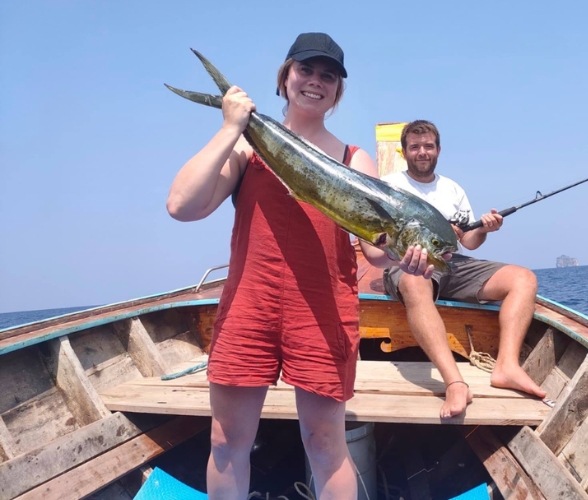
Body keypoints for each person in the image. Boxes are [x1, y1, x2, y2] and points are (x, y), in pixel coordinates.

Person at [166, 33, 433, 500]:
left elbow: (375, 250)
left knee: (326, 444)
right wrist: (232, 126)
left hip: (323, 312)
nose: (315, 81)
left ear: (338, 90)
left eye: (328, 75)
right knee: (227, 441)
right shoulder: (250, 148)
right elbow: (181, 206)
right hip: (250, 307)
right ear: (285, 76)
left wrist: (407, 256)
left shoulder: (355, 160)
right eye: (305, 70)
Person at [382, 120, 547, 419]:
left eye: (428, 146)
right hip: (408, 263)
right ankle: (455, 382)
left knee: (524, 278)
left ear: (438, 150)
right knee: (417, 282)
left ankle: (507, 366)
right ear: (404, 151)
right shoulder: (391, 186)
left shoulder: (452, 188)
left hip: (453, 264)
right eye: (415, 147)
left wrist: (485, 229)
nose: (422, 152)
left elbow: (469, 243)